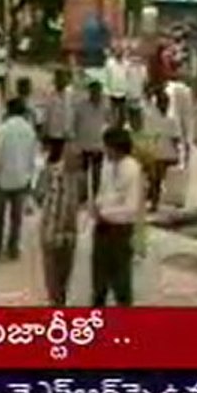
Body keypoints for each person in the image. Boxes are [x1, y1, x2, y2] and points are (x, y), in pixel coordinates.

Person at [91, 127, 144, 307]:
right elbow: (103, 192)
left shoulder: (132, 170)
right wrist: (97, 206)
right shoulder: (108, 166)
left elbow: (131, 207)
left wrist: (105, 213)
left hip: (120, 230)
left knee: (121, 279)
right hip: (102, 228)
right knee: (99, 279)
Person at [0, 97, 38, 261]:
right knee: (16, 219)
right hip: (22, 178)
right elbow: (32, 158)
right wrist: (30, 178)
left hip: (3, 178)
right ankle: (13, 248)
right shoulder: (29, 130)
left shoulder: (2, 130)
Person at [34, 139, 80, 307]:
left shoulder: (78, 178)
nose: (78, 162)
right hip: (51, 232)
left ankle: (59, 304)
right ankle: (56, 305)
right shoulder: (50, 173)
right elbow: (38, 195)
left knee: (64, 277)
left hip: (69, 235)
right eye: (75, 157)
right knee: (53, 279)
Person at [143, 89, 181, 212]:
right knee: (155, 179)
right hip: (155, 152)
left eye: (166, 102)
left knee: (159, 179)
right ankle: (154, 201)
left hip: (166, 153)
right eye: (162, 102)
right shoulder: (151, 117)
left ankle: (155, 200)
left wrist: (178, 152)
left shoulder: (171, 119)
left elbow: (176, 137)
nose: (164, 105)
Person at [73, 78, 110, 205]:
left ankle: (95, 198)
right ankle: (81, 198)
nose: (96, 93)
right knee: (82, 174)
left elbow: (110, 122)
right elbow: (75, 124)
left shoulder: (105, 106)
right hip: (83, 144)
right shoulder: (81, 106)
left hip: (98, 145)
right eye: (94, 91)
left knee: (97, 174)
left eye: (98, 91)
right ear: (90, 92)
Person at [42, 69, 74, 150]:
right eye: (58, 78)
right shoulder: (50, 94)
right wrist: (44, 132)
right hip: (53, 133)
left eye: (62, 78)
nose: (61, 81)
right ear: (55, 80)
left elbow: (73, 114)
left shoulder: (71, 94)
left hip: (67, 134)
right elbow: (47, 114)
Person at [125, 48, 148, 133]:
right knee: (130, 112)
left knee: (138, 113)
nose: (136, 60)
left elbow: (145, 82)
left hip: (139, 94)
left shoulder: (143, 69)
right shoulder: (127, 67)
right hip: (129, 94)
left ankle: (139, 128)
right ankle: (131, 126)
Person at [104, 45, 128, 128]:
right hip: (112, 93)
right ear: (114, 52)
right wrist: (106, 91)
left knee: (123, 115)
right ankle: (112, 129)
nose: (119, 53)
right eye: (117, 51)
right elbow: (106, 77)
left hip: (123, 93)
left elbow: (128, 77)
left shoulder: (126, 64)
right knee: (112, 114)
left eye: (121, 51)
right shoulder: (109, 63)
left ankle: (120, 129)